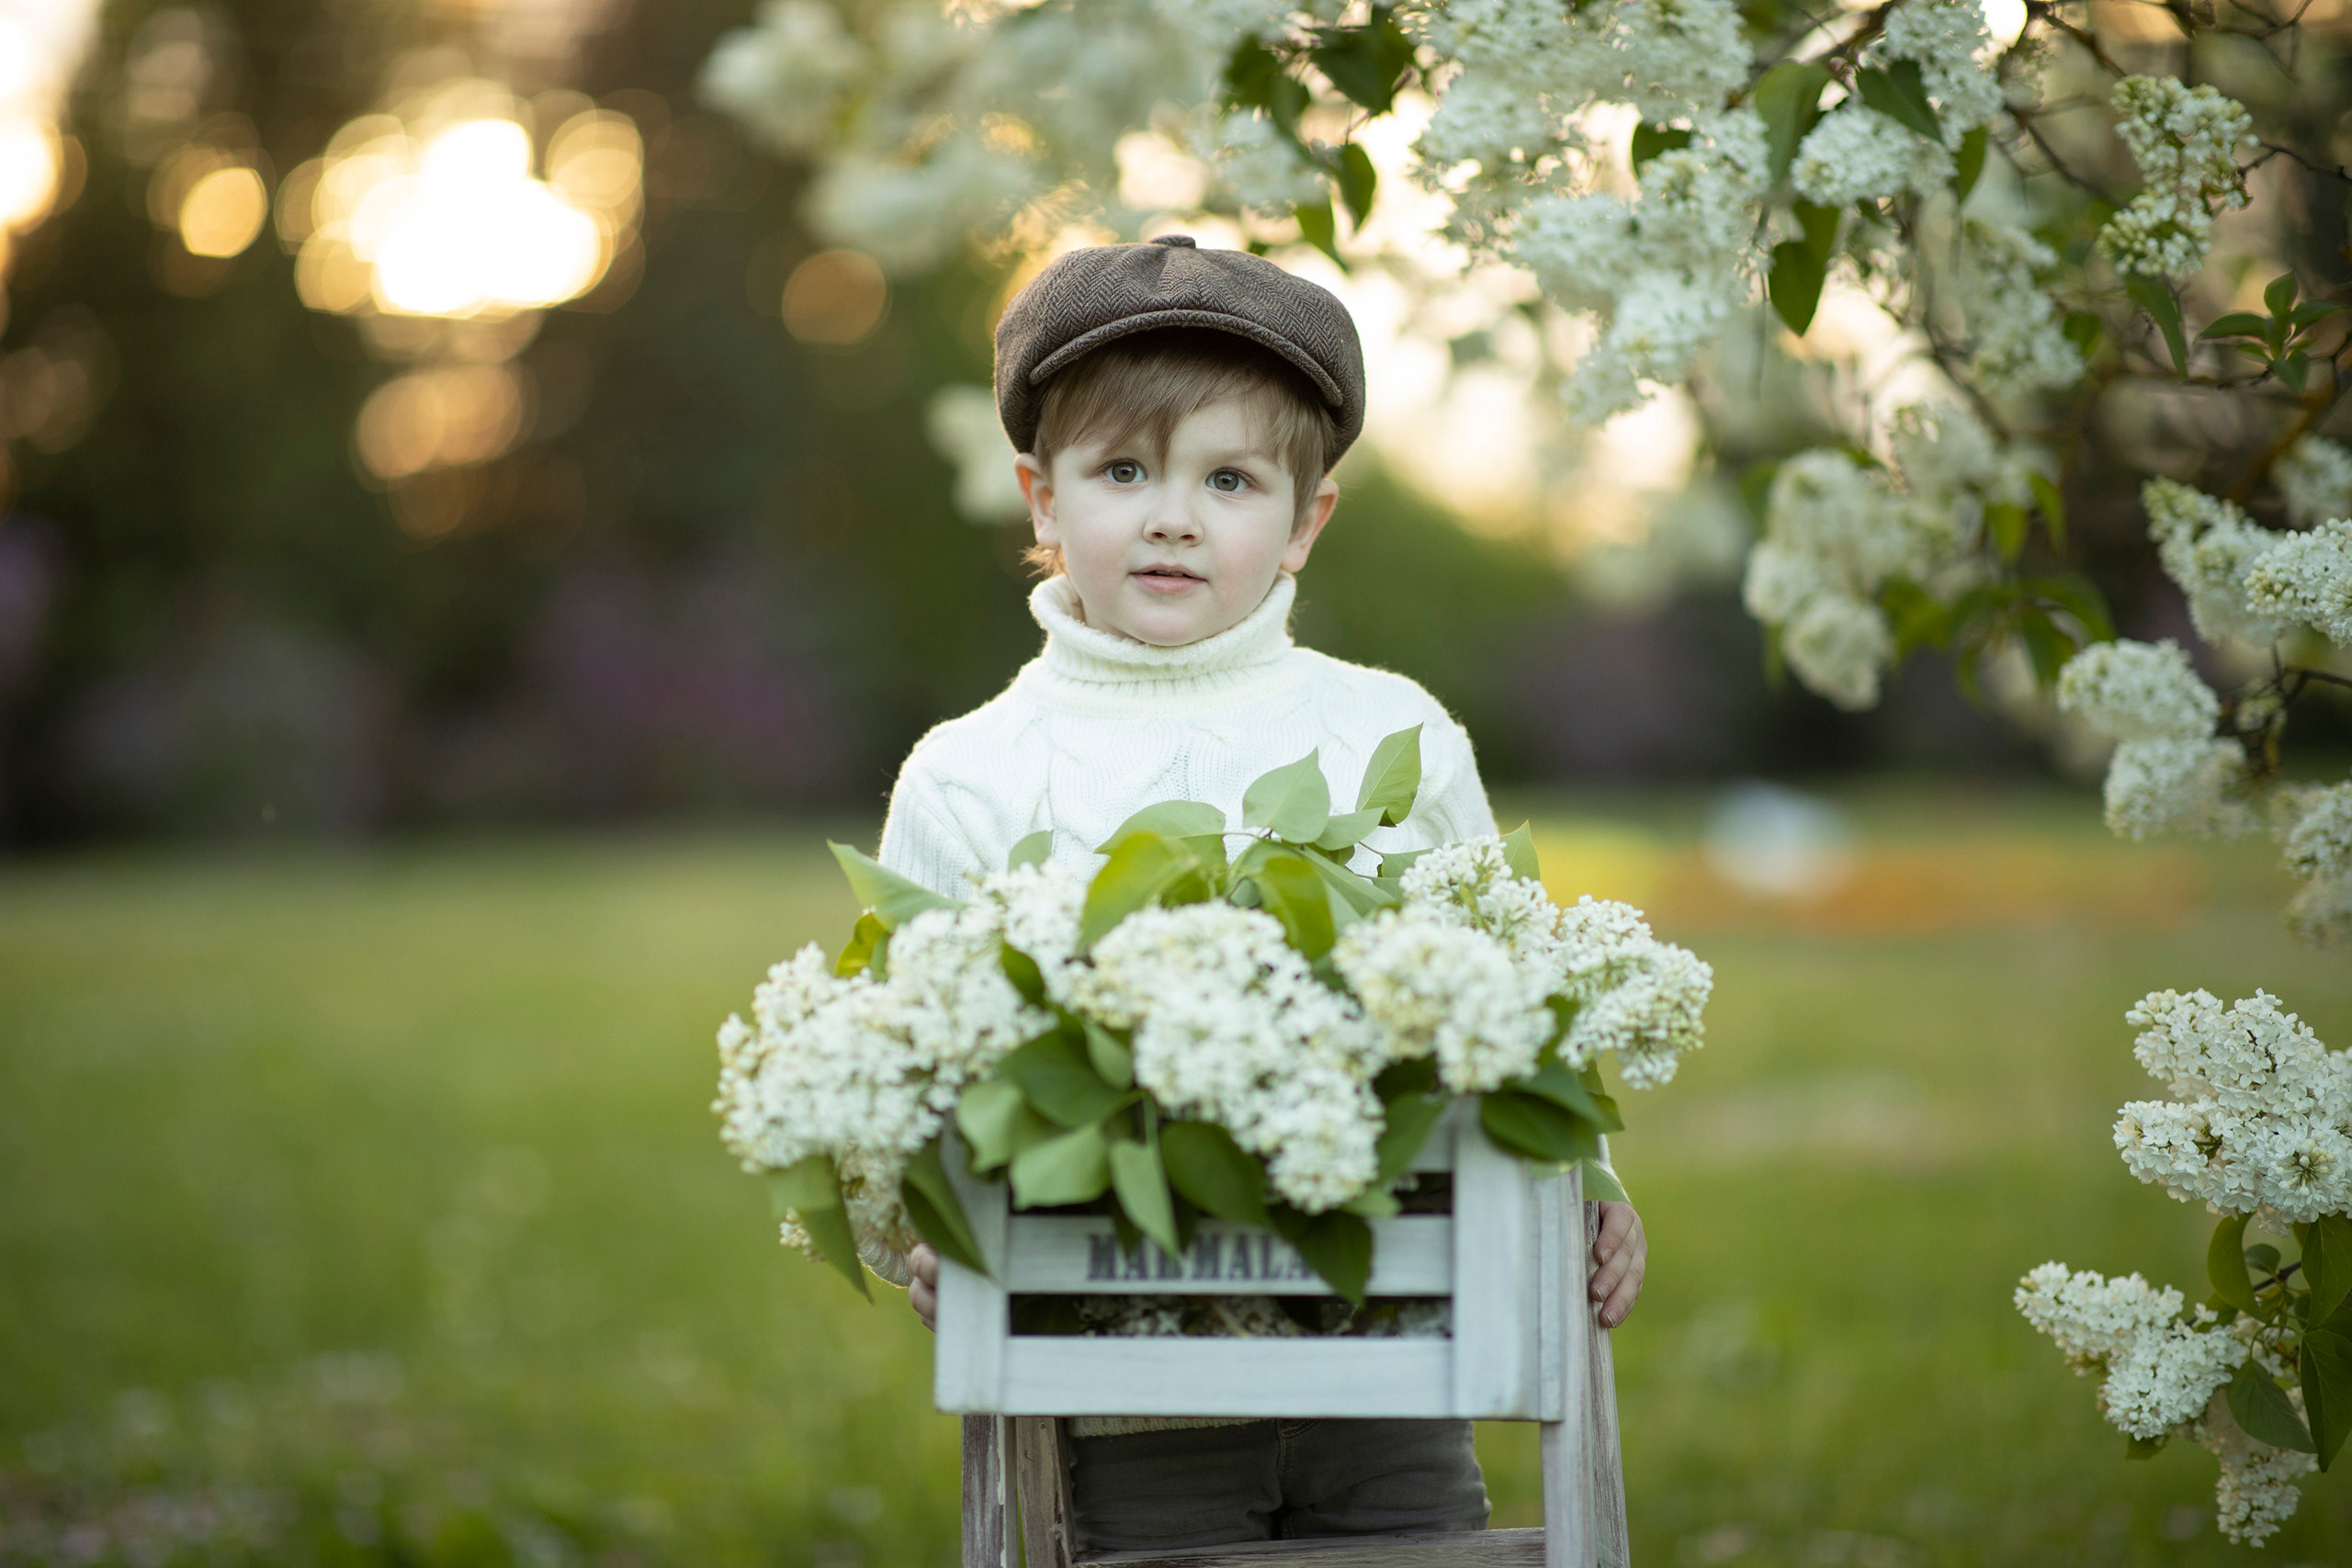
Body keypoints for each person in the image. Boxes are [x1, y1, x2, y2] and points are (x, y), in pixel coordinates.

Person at [872, 234, 1646, 1552]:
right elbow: (906, 1076)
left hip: (1394, 1358)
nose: (1173, 516)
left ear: (1304, 523)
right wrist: (927, 1231)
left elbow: (1510, 998)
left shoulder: (1391, 734)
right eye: (1124, 471)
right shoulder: (969, 778)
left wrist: (1588, 1180)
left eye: (1228, 479)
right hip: (1126, 1382)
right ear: (1041, 502)